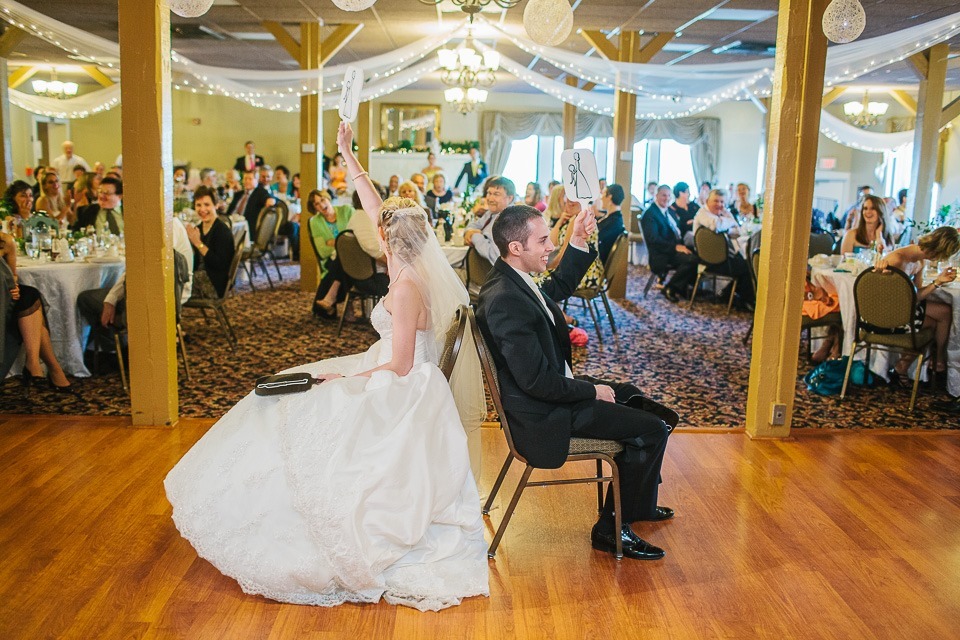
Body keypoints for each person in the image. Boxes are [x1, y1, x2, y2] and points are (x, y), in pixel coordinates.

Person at [164, 120, 488, 611]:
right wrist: (346, 153)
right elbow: (374, 202)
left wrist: (347, 378)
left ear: (385, 239)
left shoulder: (404, 288)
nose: (376, 227)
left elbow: (400, 365)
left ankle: (290, 514)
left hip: (399, 387)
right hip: (389, 369)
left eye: (380, 227)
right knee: (292, 391)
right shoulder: (408, 261)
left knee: (305, 404)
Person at [476, 204, 675, 561]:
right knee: (652, 429)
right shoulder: (506, 301)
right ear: (516, 248)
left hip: (548, 396)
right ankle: (612, 529)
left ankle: (639, 501)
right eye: (544, 240)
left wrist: (578, 239)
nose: (551, 245)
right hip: (544, 415)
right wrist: (590, 390)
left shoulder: (510, 278)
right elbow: (537, 382)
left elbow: (559, 285)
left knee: (631, 396)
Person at [873, 226, 959, 392]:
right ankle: (909, 366)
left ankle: (936, 360)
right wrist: (937, 283)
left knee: (945, 311)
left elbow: (915, 296)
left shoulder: (919, 260)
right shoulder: (897, 260)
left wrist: (938, 281)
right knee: (934, 323)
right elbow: (883, 298)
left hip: (902, 307)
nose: (940, 260)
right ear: (938, 251)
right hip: (885, 315)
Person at [1, 231, 71, 391]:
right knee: (32, 302)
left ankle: (33, 364)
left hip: (4, 299)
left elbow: (12, 278)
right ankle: (50, 368)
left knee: (29, 297)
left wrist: (13, 289)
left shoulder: (5, 241)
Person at [693, 189, 755, 309]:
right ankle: (747, 301)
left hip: (725, 256)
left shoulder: (724, 213)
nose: (719, 205)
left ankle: (728, 294)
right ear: (707, 201)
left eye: (722, 202)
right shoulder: (702, 214)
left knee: (747, 262)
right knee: (746, 267)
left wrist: (725, 223)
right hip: (709, 259)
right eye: (716, 201)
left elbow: (738, 230)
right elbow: (717, 226)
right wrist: (728, 223)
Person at [640, 184, 698, 303]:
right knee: (691, 259)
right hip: (661, 254)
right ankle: (671, 287)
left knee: (698, 253)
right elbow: (654, 240)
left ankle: (683, 287)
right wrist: (676, 247)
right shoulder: (650, 214)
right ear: (656, 195)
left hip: (671, 249)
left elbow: (678, 228)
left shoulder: (668, 211)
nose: (666, 198)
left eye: (668, 196)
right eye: (663, 195)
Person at [307, 189, 355, 318]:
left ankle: (331, 298)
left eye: (322, 200)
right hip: (330, 262)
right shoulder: (315, 222)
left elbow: (357, 237)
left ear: (328, 198)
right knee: (341, 257)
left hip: (353, 257)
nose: (321, 205)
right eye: (316, 204)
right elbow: (322, 252)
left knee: (343, 256)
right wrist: (342, 240)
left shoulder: (347, 211)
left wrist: (334, 242)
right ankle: (346, 304)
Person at [186, 187, 236, 299]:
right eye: (198, 205)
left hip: (214, 283)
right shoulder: (198, 228)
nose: (202, 209)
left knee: (173, 287)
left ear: (216, 205)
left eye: (207, 205)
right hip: (200, 277)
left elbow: (219, 264)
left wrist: (198, 243)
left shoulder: (222, 231)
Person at [463, 176, 514, 266]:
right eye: (489, 193)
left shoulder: (507, 221)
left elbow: (494, 256)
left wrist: (475, 236)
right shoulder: (491, 213)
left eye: (496, 194)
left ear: (509, 198)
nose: (490, 198)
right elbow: (473, 225)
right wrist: (470, 231)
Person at [596, 183, 626, 265]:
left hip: (599, 263)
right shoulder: (612, 217)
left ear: (609, 197)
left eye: (603, 194)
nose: (601, 197)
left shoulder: (615, 222)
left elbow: (596, 238)